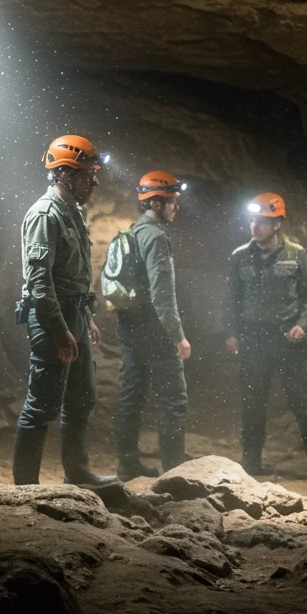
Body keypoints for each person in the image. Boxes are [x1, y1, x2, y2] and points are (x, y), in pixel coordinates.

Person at [12, 134, 118, 487]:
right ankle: (25, 486)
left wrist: (85, 319)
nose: (95, 180)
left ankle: (78, 472)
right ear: (65, 174)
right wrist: (59, 329)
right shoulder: (45, 215)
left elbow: (74, 277)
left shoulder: (72, 213)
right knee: (42, 403)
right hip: (50, 316)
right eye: (88, 173)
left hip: (74, 315)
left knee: (81, 398)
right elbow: (39, 281)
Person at [224, 193, 307, 486]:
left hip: (289, 339)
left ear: (277, 224)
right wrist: (232, 333)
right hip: (254, 340)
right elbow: (231, 300)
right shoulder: (239, 256)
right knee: (253, 402)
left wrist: (303, 324)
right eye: (252, 221)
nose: (255, 226)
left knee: (305, 404)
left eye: (262, 222)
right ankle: (251, 460)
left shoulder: (296, 254)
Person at [114, 171, 192, 481]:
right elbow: (163, 296)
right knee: (173, 399)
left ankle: (127, 464)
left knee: (131, 395)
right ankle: (173, 470)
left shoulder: (131, 232)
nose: (176, 208)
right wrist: (179, 337)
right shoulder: (157, 238)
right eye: (172, 202)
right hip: (154, 329)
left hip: (128, 326)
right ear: (157, 203)